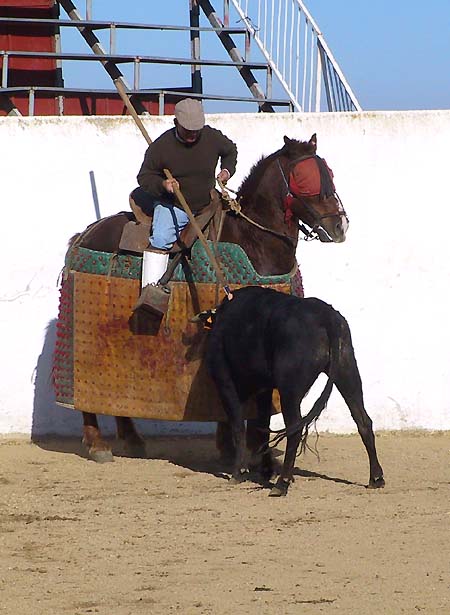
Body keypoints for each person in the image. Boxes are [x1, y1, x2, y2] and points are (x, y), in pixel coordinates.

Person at [132, 98, 238, 295]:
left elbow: (230, 150)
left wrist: (226, 170)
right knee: (161, 238)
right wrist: (163, 185)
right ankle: (150, 292)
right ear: (176, 123)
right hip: (174, 205)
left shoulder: (212, 137)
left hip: (208, 203)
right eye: (188, 130)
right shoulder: (161, 147)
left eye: (196, 130)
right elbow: (144, 177)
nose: (193, 134)